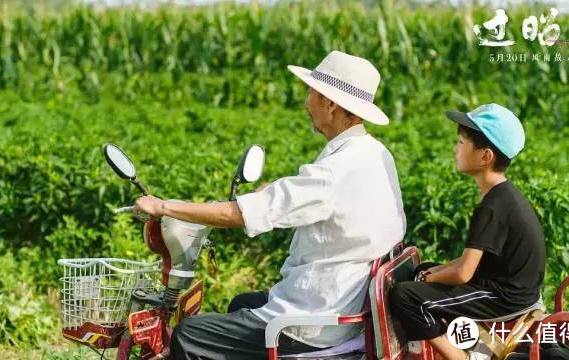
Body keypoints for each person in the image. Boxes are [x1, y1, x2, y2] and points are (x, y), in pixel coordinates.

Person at [133, 50, 406, 359]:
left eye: (311, 93)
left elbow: (240, 214)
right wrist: (274, 192)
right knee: (241, 303)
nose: (306, 102)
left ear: (330, 104)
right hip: (344, 298)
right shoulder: (374, 152)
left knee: (189, 335)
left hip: (314, 319)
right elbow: (321, 195)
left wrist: (164, 206)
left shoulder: (335, 170)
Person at [388, 103, 546, 360]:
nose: (455, 149)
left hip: (505, 298)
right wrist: (430, 273)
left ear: (485, 157)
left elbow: (463, 273)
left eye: (461, 143)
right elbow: (468, 263)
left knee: (405, 296)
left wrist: (425, 280)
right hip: (510, 287)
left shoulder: (492, 207)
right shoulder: (503, 195)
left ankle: (460, 357)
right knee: (421, 271)